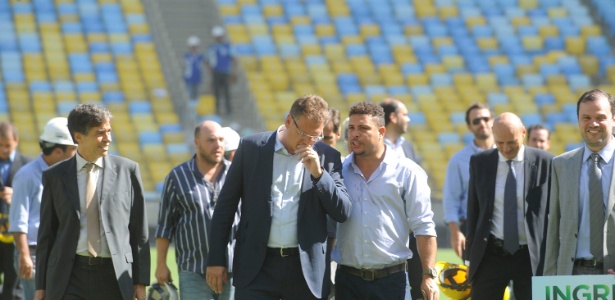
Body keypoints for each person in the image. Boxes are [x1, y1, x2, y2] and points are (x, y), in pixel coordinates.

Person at [206, 94, 351, 299]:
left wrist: (319, 175)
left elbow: (342, 211)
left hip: (305, 271)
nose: (309, 142)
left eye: (315, 136)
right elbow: (225, 207)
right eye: (303, 133)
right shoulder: (251, 148)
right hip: (257, 268)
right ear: (289, 121)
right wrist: (216, 259)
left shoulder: (327, 156)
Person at [35, 104, 150, 300]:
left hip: (114, 276)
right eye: (100, 133)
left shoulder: (128, 171)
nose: (108, 139)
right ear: (78, 136)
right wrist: (41, 287)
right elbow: (47, 234)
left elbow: (139, 231)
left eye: (109, 132)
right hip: (68, 277)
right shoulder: (54, 176)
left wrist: (140, 281)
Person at [333, 101, 438, 300]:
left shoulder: (408, 172)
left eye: (363, 128)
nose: (354, 134)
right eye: (352, 128)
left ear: (381, 131)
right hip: (347, 282)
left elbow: (424, 227)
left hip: (392, 282)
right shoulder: (338, 171)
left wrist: (428, 275)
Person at [465, 113, 553, 299]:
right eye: (500, 142)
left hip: (531, 257)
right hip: (491, 255)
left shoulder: (547, 162)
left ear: (523, 133)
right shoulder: (479, 162)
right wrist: (469, 257)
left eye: (511, 142)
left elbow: (556, 212)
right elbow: (474, 211)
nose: (505, 148)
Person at [155, 120, 235, 300]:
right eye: (211, 140)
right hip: (193, 271)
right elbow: (165, 226)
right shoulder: (177, 177)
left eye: (221, 140)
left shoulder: (236, 174)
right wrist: (161, 264)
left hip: (232, 271)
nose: (218, 145)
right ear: (197, 142)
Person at [544, 89, 615, 275]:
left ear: (613, 119)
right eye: (586, 117)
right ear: (578, 121)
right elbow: (553, 228)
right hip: (572, 274)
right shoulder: (561, 165)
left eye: (600, 117)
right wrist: (551, 276)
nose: (593, 123)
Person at [9, 118, 77, 300]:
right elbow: (18, 221)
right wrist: (24, 256)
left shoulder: (65, 175)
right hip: (33, 255)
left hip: (57, 253)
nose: (76, 154)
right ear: (57, 151)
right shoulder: (26, 176)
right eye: (73, 149)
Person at [379, 98, 423, 299]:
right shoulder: (373, 146)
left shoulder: (408, 148)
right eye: (405, 114)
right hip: (386, 229)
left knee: (418, 283)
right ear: (393, 117)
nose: (409, 119)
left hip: (411, 230)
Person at [442, 103, 495, 258]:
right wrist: (455, 233)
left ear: (492, 120)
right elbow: (451, 200)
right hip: (472, 229)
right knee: (474, 281)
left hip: (505, 228)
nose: (482, 123)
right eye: (476, 121)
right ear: (469, 127)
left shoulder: (508, 155)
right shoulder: (458, 160)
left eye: (486, 118)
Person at [0, 122, 32, 300]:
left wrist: (16, 194)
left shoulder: (29, 165)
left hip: (17, 235)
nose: (4, 150)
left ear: (16, 141)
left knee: (14, 286)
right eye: (0, 145)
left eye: (8, 146)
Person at [206, 25, 236, 116]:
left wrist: (233, 72)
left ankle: (228, 110)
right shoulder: (212, 48)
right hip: (217, 72)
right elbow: (207, 60)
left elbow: (233, 59)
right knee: (217, 92)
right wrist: (210, 71)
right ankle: (217, 110)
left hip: (225, 72)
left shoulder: (227, 46)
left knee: (226, 92)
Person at [183, 35, 205, 105]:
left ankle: (195, 107)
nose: (194, 48)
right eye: (193, 47)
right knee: (189, 93)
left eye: (195, 47)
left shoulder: (200, 56)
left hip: (197, 76)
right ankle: (190, 107)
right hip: (189, 77)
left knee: (195, 93)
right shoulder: (187, 55)